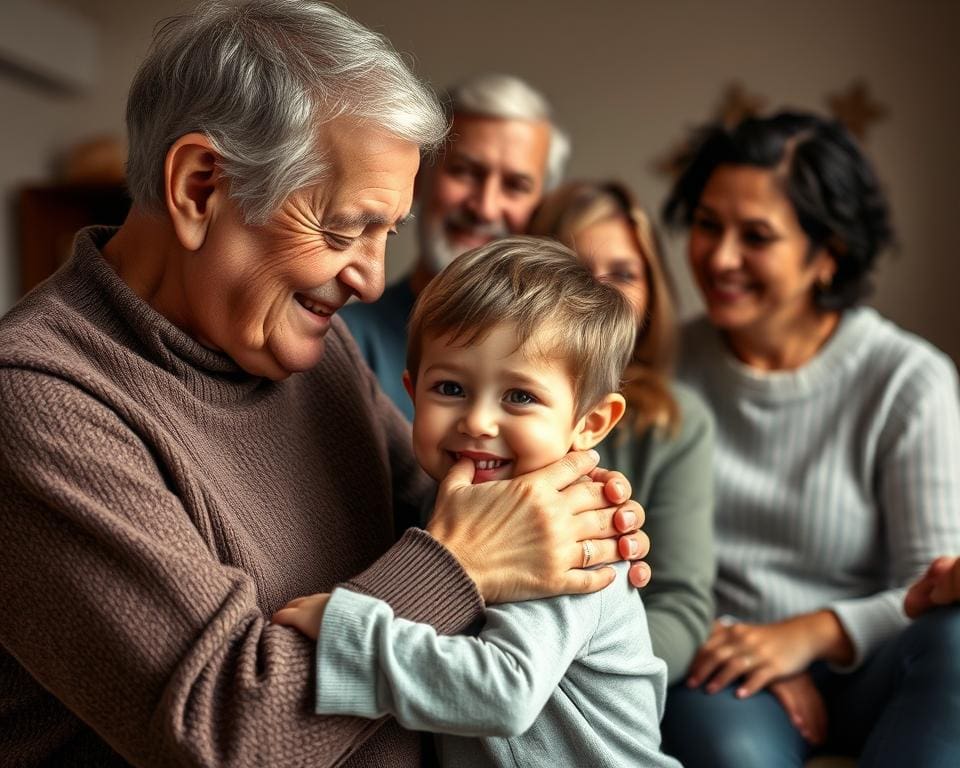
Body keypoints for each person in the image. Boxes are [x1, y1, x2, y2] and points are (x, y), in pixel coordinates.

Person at [0, 3, 649, 765]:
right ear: (201, 187)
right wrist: (459, 570)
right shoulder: (40, 400)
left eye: (388, 234)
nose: (373, 280)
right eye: (345, 229)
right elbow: (224, 736)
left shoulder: (307, 344)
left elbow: (464, 507)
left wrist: (574, 518)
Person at [274, 237, 680, 768]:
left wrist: (350, 632)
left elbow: (503, 692)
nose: (478, 422)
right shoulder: (450, 507)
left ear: (590, 423)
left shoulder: (572, 537)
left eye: (519, 397)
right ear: (411, 391)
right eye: (449, 388)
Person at [660, 111, 960, 766]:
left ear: (829, 254)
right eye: (708, 225)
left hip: (881, 662)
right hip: (725, 665)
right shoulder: (661, 367)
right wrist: (748, 646)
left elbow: (930, 585)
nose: (720, 257)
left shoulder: (910, 380)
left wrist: (809, 635)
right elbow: (631, 561)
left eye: (756, 236)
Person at [527, 180, 715, 684]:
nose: (600, 296)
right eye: (576, 275)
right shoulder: (488, 413)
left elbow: (682, 603)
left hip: (604, 680)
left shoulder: (676, 422)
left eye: (623, 274)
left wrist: (591, 674)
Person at [341, 72, 569, 419]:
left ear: (541, 208)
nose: (485, 207)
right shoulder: (345, 341)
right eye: (465, 171)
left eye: (515, 186)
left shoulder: (561, 360)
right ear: (419, 177)